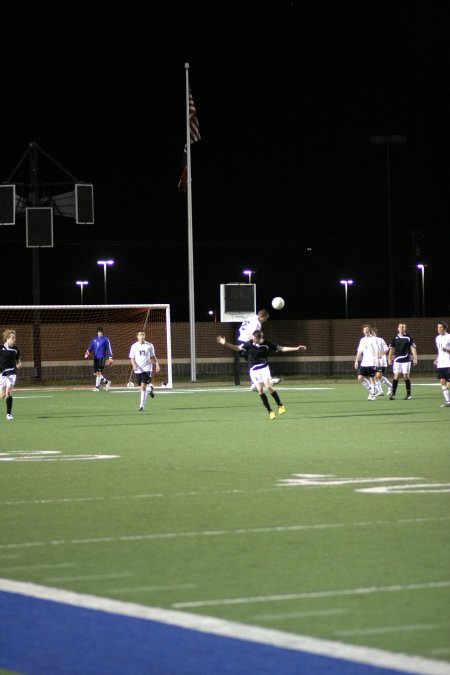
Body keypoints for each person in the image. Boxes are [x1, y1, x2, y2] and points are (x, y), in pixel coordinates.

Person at [217, 330, 306, 419]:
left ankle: (280, 405)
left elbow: (282, 348)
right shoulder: (249, 343)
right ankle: (270, 411)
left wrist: (296, 348)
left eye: (254, 338)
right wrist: (225, 343)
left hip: (264, 367)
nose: (253, 339)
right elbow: (237, 348)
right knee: (260, 390)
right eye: (252, 337)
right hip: (253, 370)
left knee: (269, 386)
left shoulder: (267, 344)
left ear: (259, 338)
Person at [237, 309, 280, 389]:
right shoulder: (257, 323)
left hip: (241, 341)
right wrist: (259, 343)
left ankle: (256, 383)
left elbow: (241, 330)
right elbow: (253, 336)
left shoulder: (249, 318)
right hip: (247, 343)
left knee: (254, 362)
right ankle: (265, 380)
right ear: (260, 316)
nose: (265, 320)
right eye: (265, 318)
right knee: (261, 358)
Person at [129, 330, 160, 411]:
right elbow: (132, 357)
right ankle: (150, 389)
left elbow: (153, 356)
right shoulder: (134, 346)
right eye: (140, 335)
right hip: (138, 369)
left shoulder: (149, 345)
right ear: (137, 336)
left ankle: (141, 406)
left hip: (147, 368)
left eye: (143, 335)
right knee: (141, 388)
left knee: (143, 386)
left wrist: (157, 364)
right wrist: (134, 365)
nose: (142, 336)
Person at [388, 322, 418, 400]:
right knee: (396, 376)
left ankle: (408, 394)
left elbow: (413, 348)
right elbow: (391, 348)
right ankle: (393, 394)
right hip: (397, 360)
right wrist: (389, 358)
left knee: (406, 376)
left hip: (406, 360)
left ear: (405, 328)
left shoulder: (409, 337)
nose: (402, 328)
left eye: (403, 327)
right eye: (400, 327)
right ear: (398, 328)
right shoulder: (395, 338)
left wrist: (415, 358)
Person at [0, 329, 22, 420]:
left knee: (8, 391)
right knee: (2, 395)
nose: (14, 339)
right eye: (12, 337)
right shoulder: (1, 348)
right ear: (7, 338)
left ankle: (8, 414)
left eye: (14, 337)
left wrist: (19, 364)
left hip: (12, 372)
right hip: (2, 372)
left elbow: (18, 360)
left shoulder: (15, 349)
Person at [354, 324, 379, 401]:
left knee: (372, 378)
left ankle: (372, 395)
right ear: (363, 331)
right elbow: (359, 351)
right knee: (360, 377)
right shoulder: (362, 340)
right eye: (365, 330)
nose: (366, 331)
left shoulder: (374, 339)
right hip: (364, 362)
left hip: (372, 362)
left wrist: (377, 360)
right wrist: (356, 361)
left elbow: (377, 350)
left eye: (367, 330)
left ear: (369, 331)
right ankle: (371, 389)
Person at [372, 327, 393, 397]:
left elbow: (387, 348)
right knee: (378, 377)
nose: (372, 334)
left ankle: (384, 389)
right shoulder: (370, 341)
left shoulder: (380, 340)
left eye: (373, 333)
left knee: (377, 376)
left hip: (381, 361)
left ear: (375, 333)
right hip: (374, 361)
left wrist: (382, 354)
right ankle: (389, 387)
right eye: (371, 333)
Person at [434, 320, 450, 408]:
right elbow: (439, 351)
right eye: (438, 327)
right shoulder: (437, 338)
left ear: (444, 328)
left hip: (448, 363)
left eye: (441, 327)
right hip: (441, 364)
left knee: (448, 383)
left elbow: (445, 350)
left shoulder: (449, 337)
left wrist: (447, 350)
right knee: (442, 382)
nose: (439, 329)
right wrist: (437, 359)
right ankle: (448, 401)